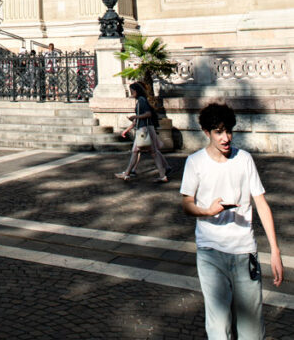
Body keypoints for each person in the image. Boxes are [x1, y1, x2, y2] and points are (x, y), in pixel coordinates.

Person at [180, 102, 283, 339]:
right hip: (210, 252)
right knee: (218, 327)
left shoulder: (244, 159)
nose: (226, 137)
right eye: (218, 132)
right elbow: (186, 204)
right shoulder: (195, 162)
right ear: (206, 132)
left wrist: (275, 251)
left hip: (244, 252)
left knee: (251, 329)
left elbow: (262, 204)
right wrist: (207, 212)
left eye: (228, 131)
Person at [115, 81, 169, 182]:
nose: (131, 93)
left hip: (143, 129)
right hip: (147, 128)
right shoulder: (142, 100)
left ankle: (127, 173)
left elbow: (148, 114)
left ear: (136, 91)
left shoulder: (141, 101)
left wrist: (135, 116)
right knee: (153, 153)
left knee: (137, 151)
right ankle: (162, 175)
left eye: (132, 91)